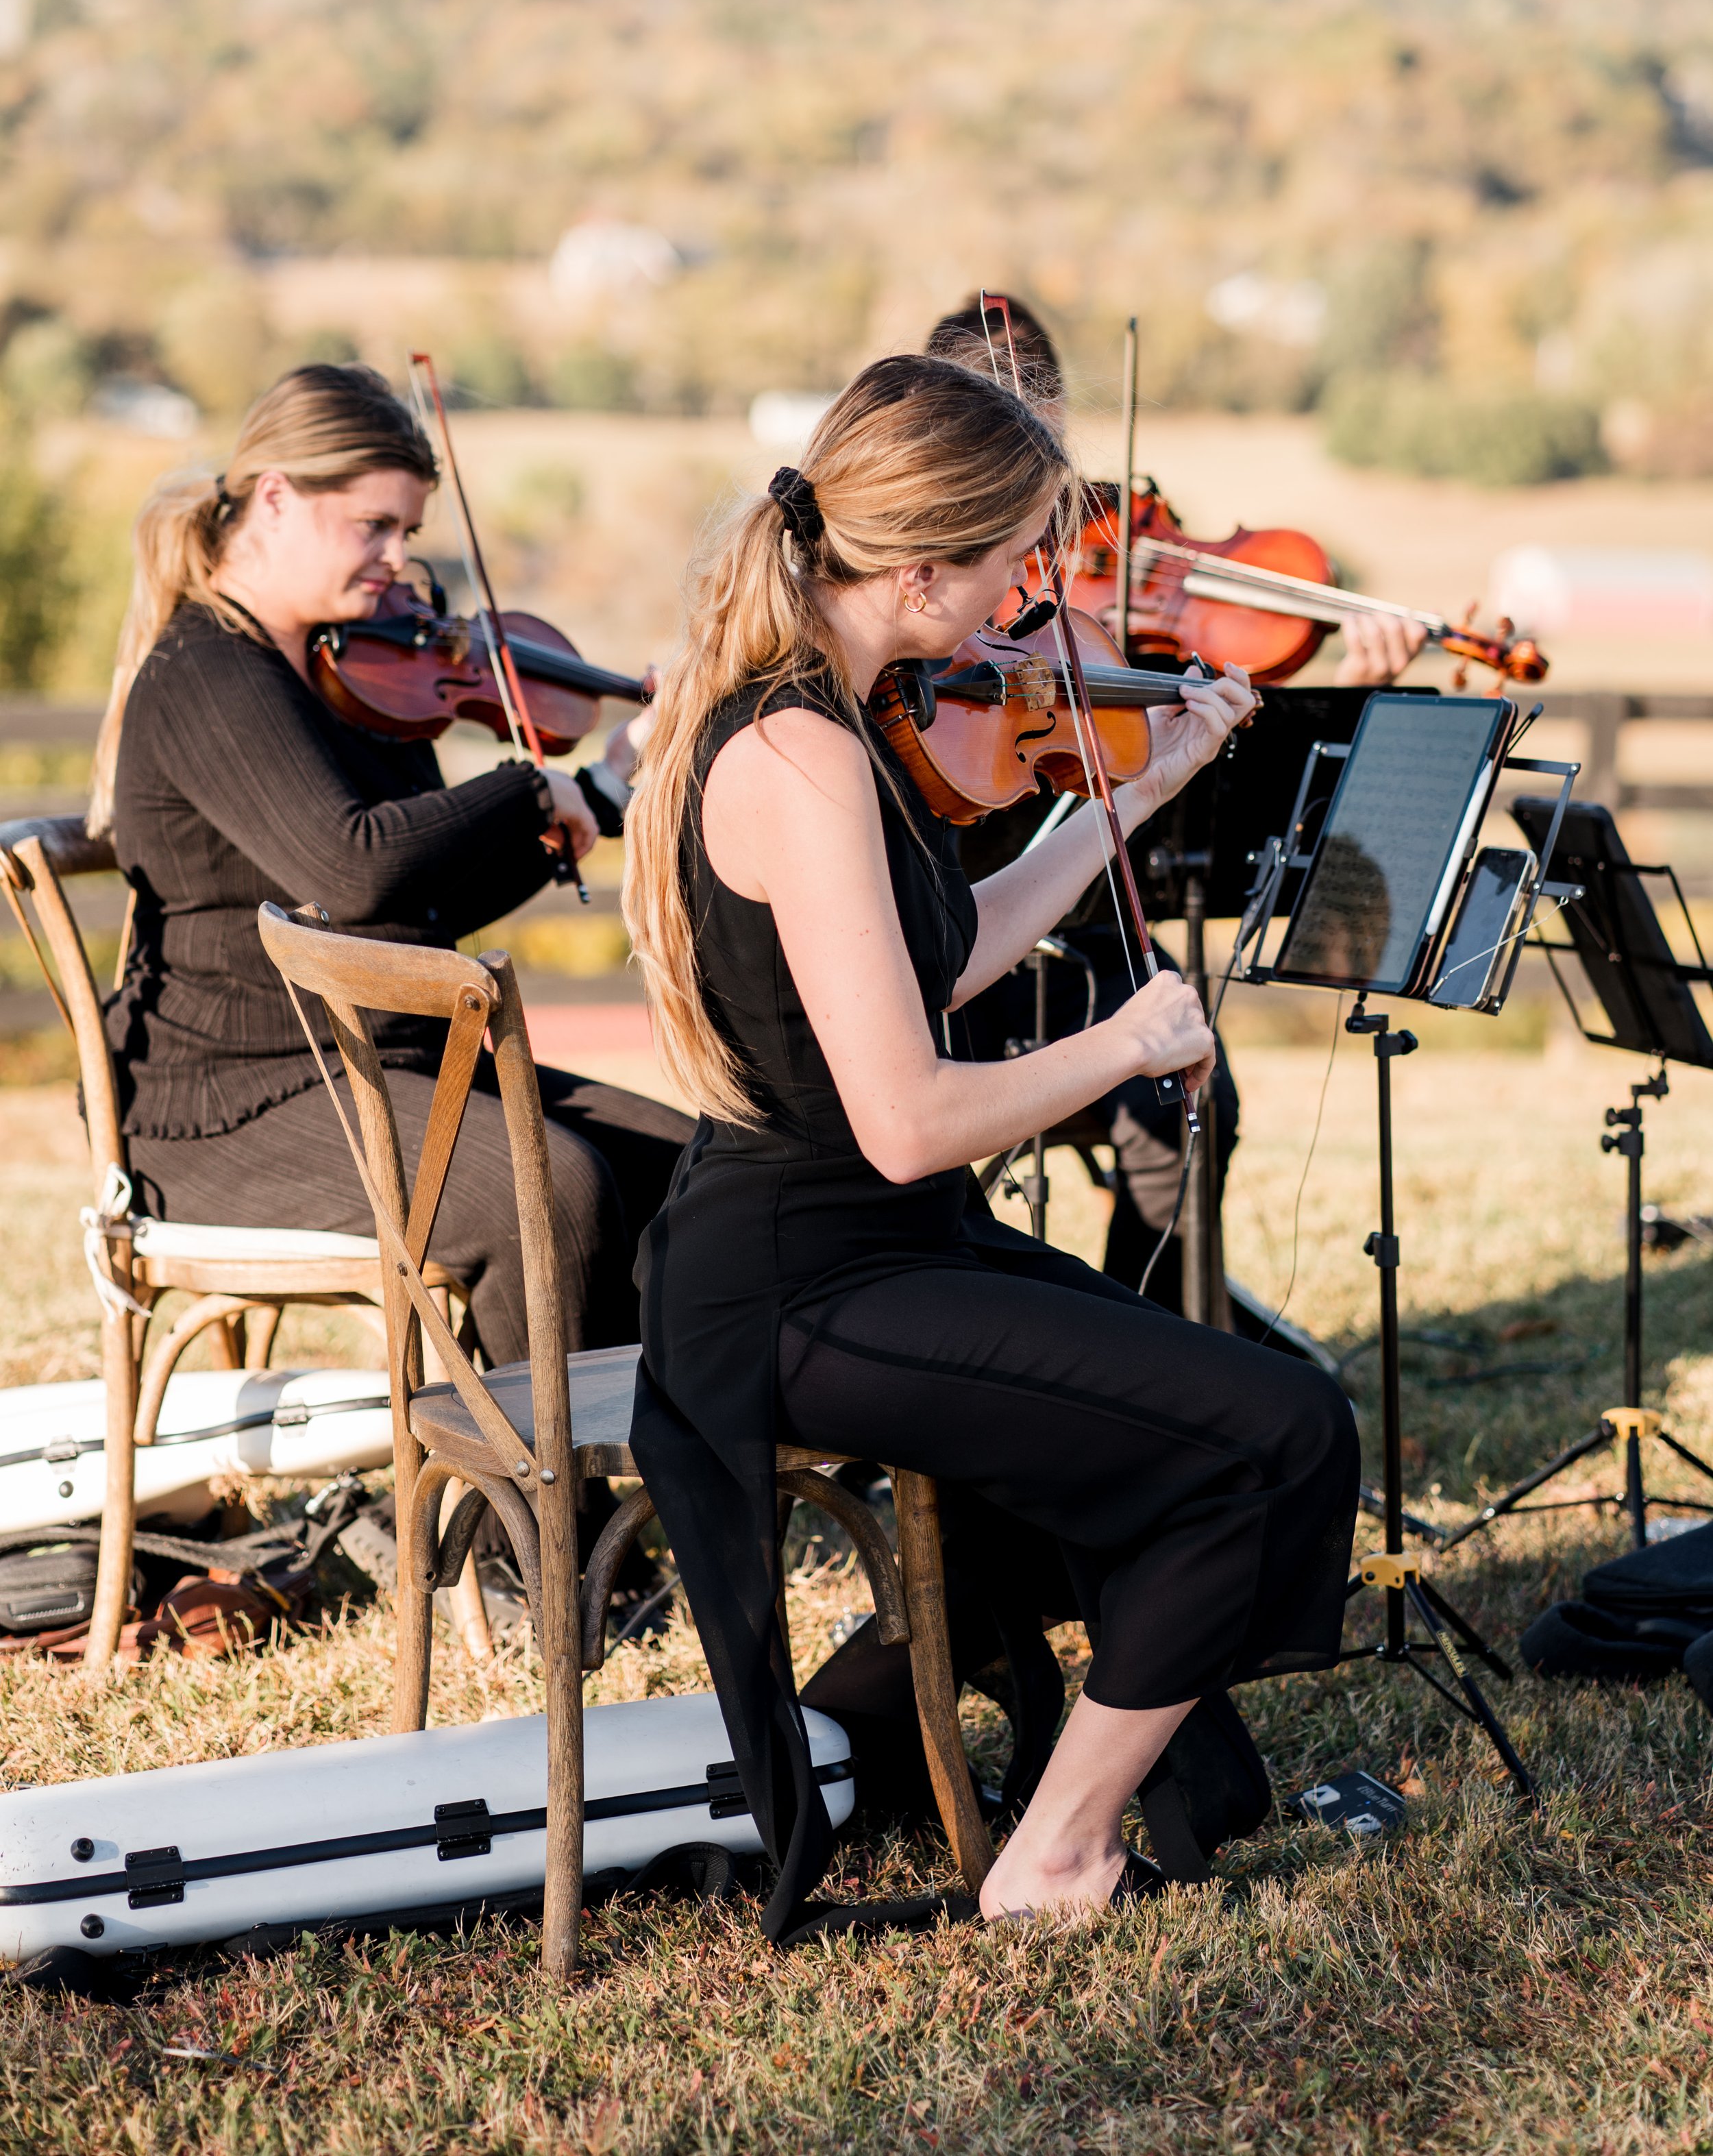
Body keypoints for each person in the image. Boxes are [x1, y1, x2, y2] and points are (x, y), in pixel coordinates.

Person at [623, 352, 1358, 1933]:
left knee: (1269, 1410)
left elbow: (938, 957)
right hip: (802, 1287)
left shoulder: (818, 717)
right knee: (1264, 1438)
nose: (1035, 591)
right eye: (1018, 554)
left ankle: (941, 1747)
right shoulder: (802, 754)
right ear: (919, 565)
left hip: (854, 1251)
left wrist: (1132, 796)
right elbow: (906, 1122)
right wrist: (1126, 1041)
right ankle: (1056, 1855)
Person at [90, 362, 693, 1369]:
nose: (396, 560)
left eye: (407, 532)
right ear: (275, 497)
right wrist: (531, 791)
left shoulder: (345, 670)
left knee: (697, 1172)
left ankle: (647, 1471)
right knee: (550, 1194)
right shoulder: (207, 671)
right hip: (226, 1105)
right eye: (374, 525)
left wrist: (593, 797)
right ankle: (541, 1513)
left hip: (374, 1065)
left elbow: (421, 899)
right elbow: (355, 867)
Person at [924, 292, 1424, 1301]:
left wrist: (1346, 675)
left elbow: (1226, 664)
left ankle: (1151, 1326)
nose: (1028, 540)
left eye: (1040, 471)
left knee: (1198, 1090)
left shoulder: (1110, 540)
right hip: (936, 941)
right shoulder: (910, 588)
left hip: (1087, 935)